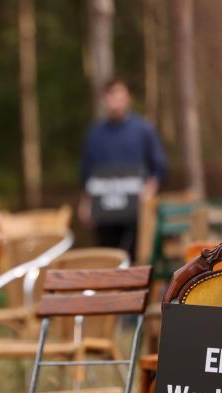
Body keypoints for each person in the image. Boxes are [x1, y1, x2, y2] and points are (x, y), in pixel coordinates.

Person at [78, 78, 168, 259]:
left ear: (128, 98)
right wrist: (86, 203)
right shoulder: (95, 134)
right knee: (108, 258)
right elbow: (87, 174)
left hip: (136, 213)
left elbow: (159, 168)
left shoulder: (144, 130)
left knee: (136, 258)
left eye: (120, 94)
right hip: (105, 213)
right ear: (104, 100)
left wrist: (150, 190)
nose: (115, 100)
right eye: (111, 95)